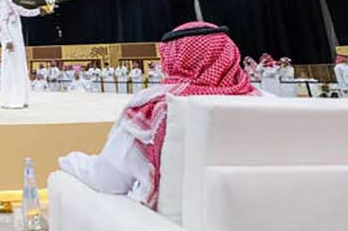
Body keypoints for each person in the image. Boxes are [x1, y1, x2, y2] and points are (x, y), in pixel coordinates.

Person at [59, 22, 259, 209]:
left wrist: (70, 161)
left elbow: (107, 180)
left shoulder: (155, 109)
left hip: (169, 229)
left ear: (173, 58)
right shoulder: (267, 102)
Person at [0, 0, 52, 109]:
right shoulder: (2, 5)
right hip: (11, 43)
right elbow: (2, 23)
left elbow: (26, 12)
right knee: (12, 68)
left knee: (20, 67)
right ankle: (11, 100)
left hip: (18, 42)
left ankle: (21, 99)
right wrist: (8, 40)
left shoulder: (12, 5)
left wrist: (42, 10)